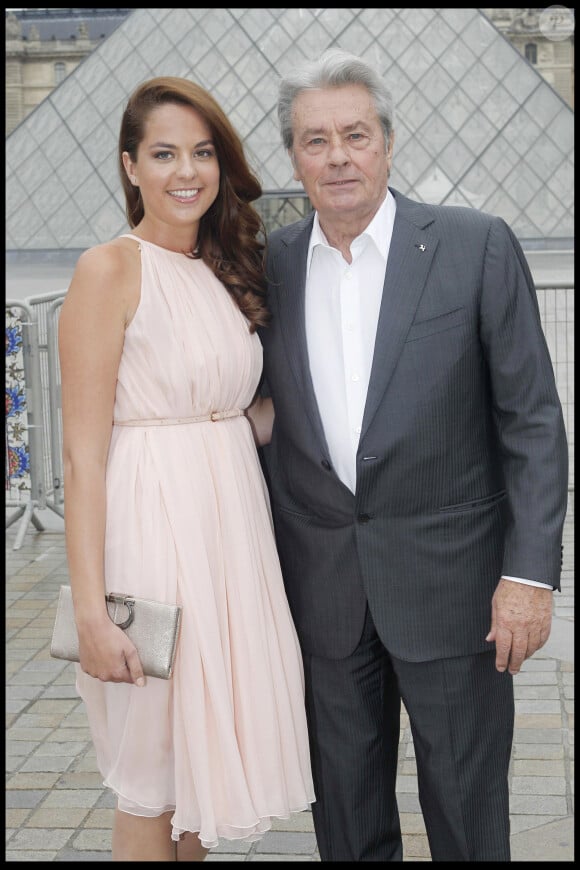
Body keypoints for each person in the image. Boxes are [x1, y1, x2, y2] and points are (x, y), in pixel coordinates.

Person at [258, 49, 568, 862]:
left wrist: (529, 578)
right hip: (324, 599)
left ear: (388, 143)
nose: (337, 156)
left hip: (457, 595)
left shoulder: (475, 246)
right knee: (347, 827)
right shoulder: (271, 268)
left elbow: (532, 423)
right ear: (293, 156)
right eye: (315, 139)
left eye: (355, 134)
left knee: (468, 821)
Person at [58, 76, 315, 862]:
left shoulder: (222, 267)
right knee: (152, 773)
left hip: (230, 538)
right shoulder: (109, 269)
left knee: (194, 786)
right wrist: (95, 614)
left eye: (202, 152)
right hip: (153, 531)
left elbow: (245, 413)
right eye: (164, 153)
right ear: (131, 166)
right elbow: (83, 454)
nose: (187, 172)